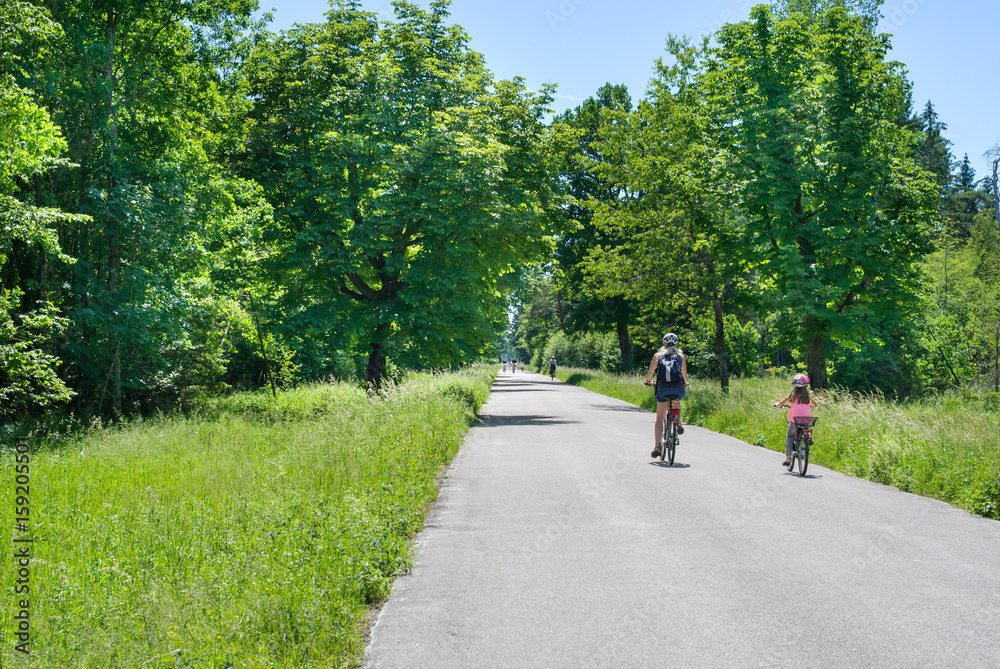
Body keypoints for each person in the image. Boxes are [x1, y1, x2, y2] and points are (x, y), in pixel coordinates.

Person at [644, 332, 688, 458]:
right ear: (676, 343)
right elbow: (684, 375)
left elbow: (650, 372)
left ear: (663, 343)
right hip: (678, 389)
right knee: (676, 401)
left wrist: (648, 381)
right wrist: (685, 383)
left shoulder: (658, 356)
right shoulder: (681, 357)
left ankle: (657, 447)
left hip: (662, 389)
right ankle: (678, 423)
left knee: (659, 418)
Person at [774, 374, 817, 467]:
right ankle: (808, 437)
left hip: (795, 421)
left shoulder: (793, 395)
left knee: (790, 435)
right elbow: (814, 405)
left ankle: (788, 457)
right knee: (806, 428)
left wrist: (778, 404)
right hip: (806, 421)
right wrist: (809, 406)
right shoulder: (808, 397)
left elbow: (783, 402)